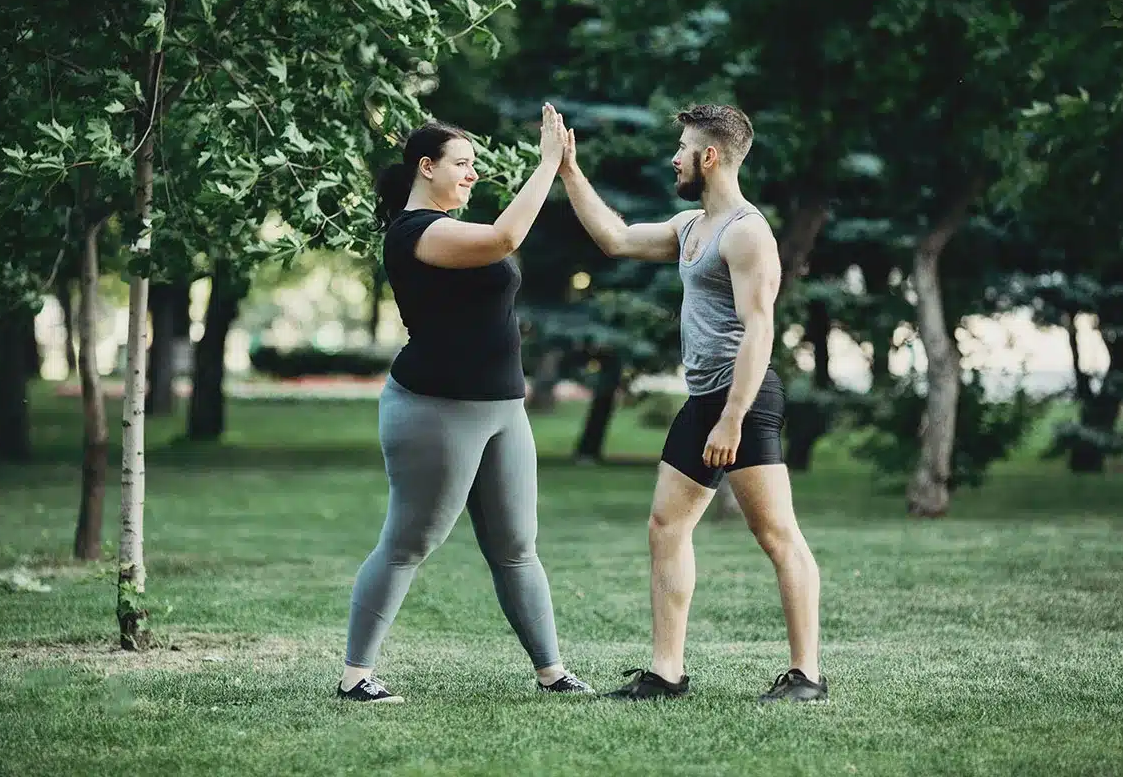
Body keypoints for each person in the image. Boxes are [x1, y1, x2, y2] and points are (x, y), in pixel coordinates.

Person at [558, 104, 827, 704]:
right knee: (666, 526)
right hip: (705, 397)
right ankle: (667, 672)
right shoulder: (690, 226)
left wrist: (733, 418)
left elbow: (759, 329)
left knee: (776, 532)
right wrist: (569, 170)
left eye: (682, 148)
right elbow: (616, 239)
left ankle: (807, 675)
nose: (673, 158)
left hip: (743, 399)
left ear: (709, 156)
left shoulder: (747, 232)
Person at [337, 104, 594, 703]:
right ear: (426, 167)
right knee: (409, 543)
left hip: (503, 409)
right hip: (436, 408)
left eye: (473, 164)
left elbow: (497, 246)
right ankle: (355, 676)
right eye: (462, 163)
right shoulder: (416, 233)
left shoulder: (451, 228)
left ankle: (552, 672)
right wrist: (547, 165)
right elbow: (505, 237)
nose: (473, 173)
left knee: (516, 546)